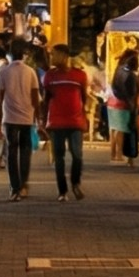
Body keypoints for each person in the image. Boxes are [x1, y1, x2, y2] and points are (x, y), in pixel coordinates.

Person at [0, 39, 41, 199]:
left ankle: (14, 188)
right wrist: (39, 120)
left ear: (10, 53)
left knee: (11, 152)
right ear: (24, 53)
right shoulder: (30, 72)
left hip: (9, 118)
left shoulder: (4, 72)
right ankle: (24, 185)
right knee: (25, 151)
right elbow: (35, 98)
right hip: (27, 118)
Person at [43, 46, 91, 201]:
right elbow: (46, 99)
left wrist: (84, 114)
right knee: (59, 157)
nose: (52, 58)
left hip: (75, 121)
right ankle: (62, 191)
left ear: (64, 56)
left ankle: (75, 183)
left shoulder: (79, 75)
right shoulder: (50, 76)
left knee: (77, 155)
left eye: (55, 55)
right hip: (56, 122)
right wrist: (43, 120)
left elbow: (83, 97)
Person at [109, 49, 139, 164]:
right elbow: (132, 93)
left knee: (115, 129)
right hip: (123, 103)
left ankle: (113, 154)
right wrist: (132, 106)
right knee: (122, 129)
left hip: (113, 101)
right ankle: (119, 155)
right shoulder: (130, 75)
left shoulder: (119, 68)